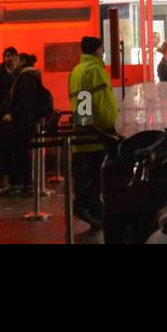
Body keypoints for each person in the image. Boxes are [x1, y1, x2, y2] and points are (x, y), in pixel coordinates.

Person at [69, 35, 118, 230]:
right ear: (97, 50)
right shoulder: (94, 70)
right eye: (102, 48)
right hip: (98, 134)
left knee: (92, 176)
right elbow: (103, 102)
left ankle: (96, 213)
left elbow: (81, 100)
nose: (104, 51)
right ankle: (83, 204)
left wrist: (83, 124)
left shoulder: (78, 70)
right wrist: (113, 125)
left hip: (87, 131)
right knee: (98, 176)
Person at [8, 58, 55, 195]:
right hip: (33, 122)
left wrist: (12, 114)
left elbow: (24, 102)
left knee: (21, 153)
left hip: (23, 123)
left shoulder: (24, 79)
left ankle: (27, 183)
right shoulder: (34, 78)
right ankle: (30, 183)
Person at [0, 47, 23, 194]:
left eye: (14, 56)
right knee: (3, 151)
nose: (11, 59)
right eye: (9, 56)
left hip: (14, 118)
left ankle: (14, 179)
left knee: (13, 150)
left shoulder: (20, 74)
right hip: (2, 118)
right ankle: (2, 178)